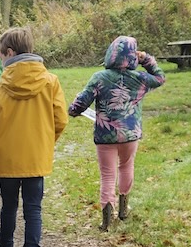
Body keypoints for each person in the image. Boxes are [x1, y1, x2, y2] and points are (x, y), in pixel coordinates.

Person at [0, 27, 69, 247]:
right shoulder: (51, 82)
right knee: (34, 209)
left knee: (8, 207)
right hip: (36, 157)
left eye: (1, 55)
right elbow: (61, 120)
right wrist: (45, 141)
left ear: (9, 53)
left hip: (10, 157)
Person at [67, 35, 165, 231]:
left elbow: (80, 102)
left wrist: (74, 111)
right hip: (130, 135)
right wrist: (146, 59)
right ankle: (123, 209)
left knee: (107, 174)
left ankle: (106, 220)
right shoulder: (139, 79)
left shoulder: (99, 78)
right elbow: (160, 77)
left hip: (105, 135)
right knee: (126, 166)